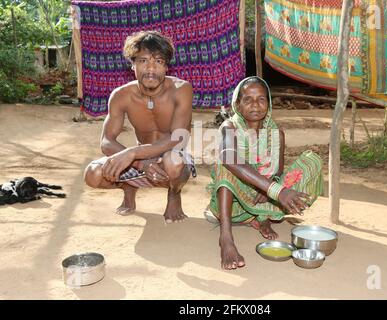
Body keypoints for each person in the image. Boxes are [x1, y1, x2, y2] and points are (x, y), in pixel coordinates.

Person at [205, 76, 324, 270]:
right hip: (234, 201)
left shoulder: (276, 133)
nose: (255, 105)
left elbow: (277, 170)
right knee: (224, 165)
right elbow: (228, 157)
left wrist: (267, 189)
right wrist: (276, 191)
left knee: (313, 161)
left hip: (263, 198)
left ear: (268, 104)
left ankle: (263, 218)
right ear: (237, 104)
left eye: (261, 99)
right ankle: (226, 237)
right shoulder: (230, 127)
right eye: (248, 99)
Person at [84, 30, 195, 222]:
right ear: (132, 64)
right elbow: (106, 141)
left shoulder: (181, 89)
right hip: (139, 162)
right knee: (93, 174)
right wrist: (140, 162)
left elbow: (178, 137)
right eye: (143, 61)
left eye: (158, 61)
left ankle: (173, 193)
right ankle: (129, 187)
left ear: (166, 66)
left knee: (173, 161)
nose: (151, 68)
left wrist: (133, 153)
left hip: (172, 155)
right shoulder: (121, 95)